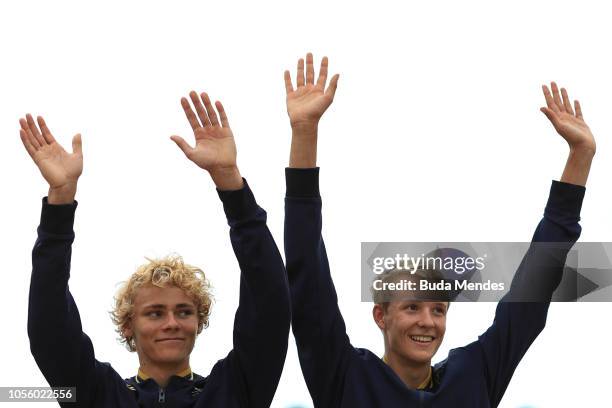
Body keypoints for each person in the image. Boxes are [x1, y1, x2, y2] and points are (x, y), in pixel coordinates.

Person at [282, 53, 595, 407]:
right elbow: (307, 276)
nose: (427, 322)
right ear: (380, 315)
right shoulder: (345, 376)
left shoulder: (476, 372)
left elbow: (532, 291)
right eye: (412, 307)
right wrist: (305, 132)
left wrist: (580, 157)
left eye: (438, 309)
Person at [21, 91, 290, 407]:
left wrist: (230, 183)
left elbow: (269, 301)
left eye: (184, 311)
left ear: (199, 322)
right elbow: (49, 326)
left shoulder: (236, 389)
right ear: (128, 325)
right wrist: (60, 203)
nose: (172, 322)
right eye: (154, 313)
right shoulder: (96, 394)